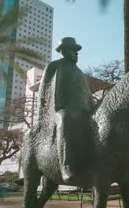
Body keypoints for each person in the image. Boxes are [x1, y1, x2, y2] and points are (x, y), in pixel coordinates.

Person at [38, 37, 94, 183]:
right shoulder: (54, 66)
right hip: (59, 111)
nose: (76, 52)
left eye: (77, 50)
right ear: (63, 51)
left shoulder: (80, 73)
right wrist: (41, 118)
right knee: (65, 118)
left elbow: (88, 95)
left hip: (83, 112)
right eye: (72, 49)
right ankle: (66, 165)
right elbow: (43, 92)